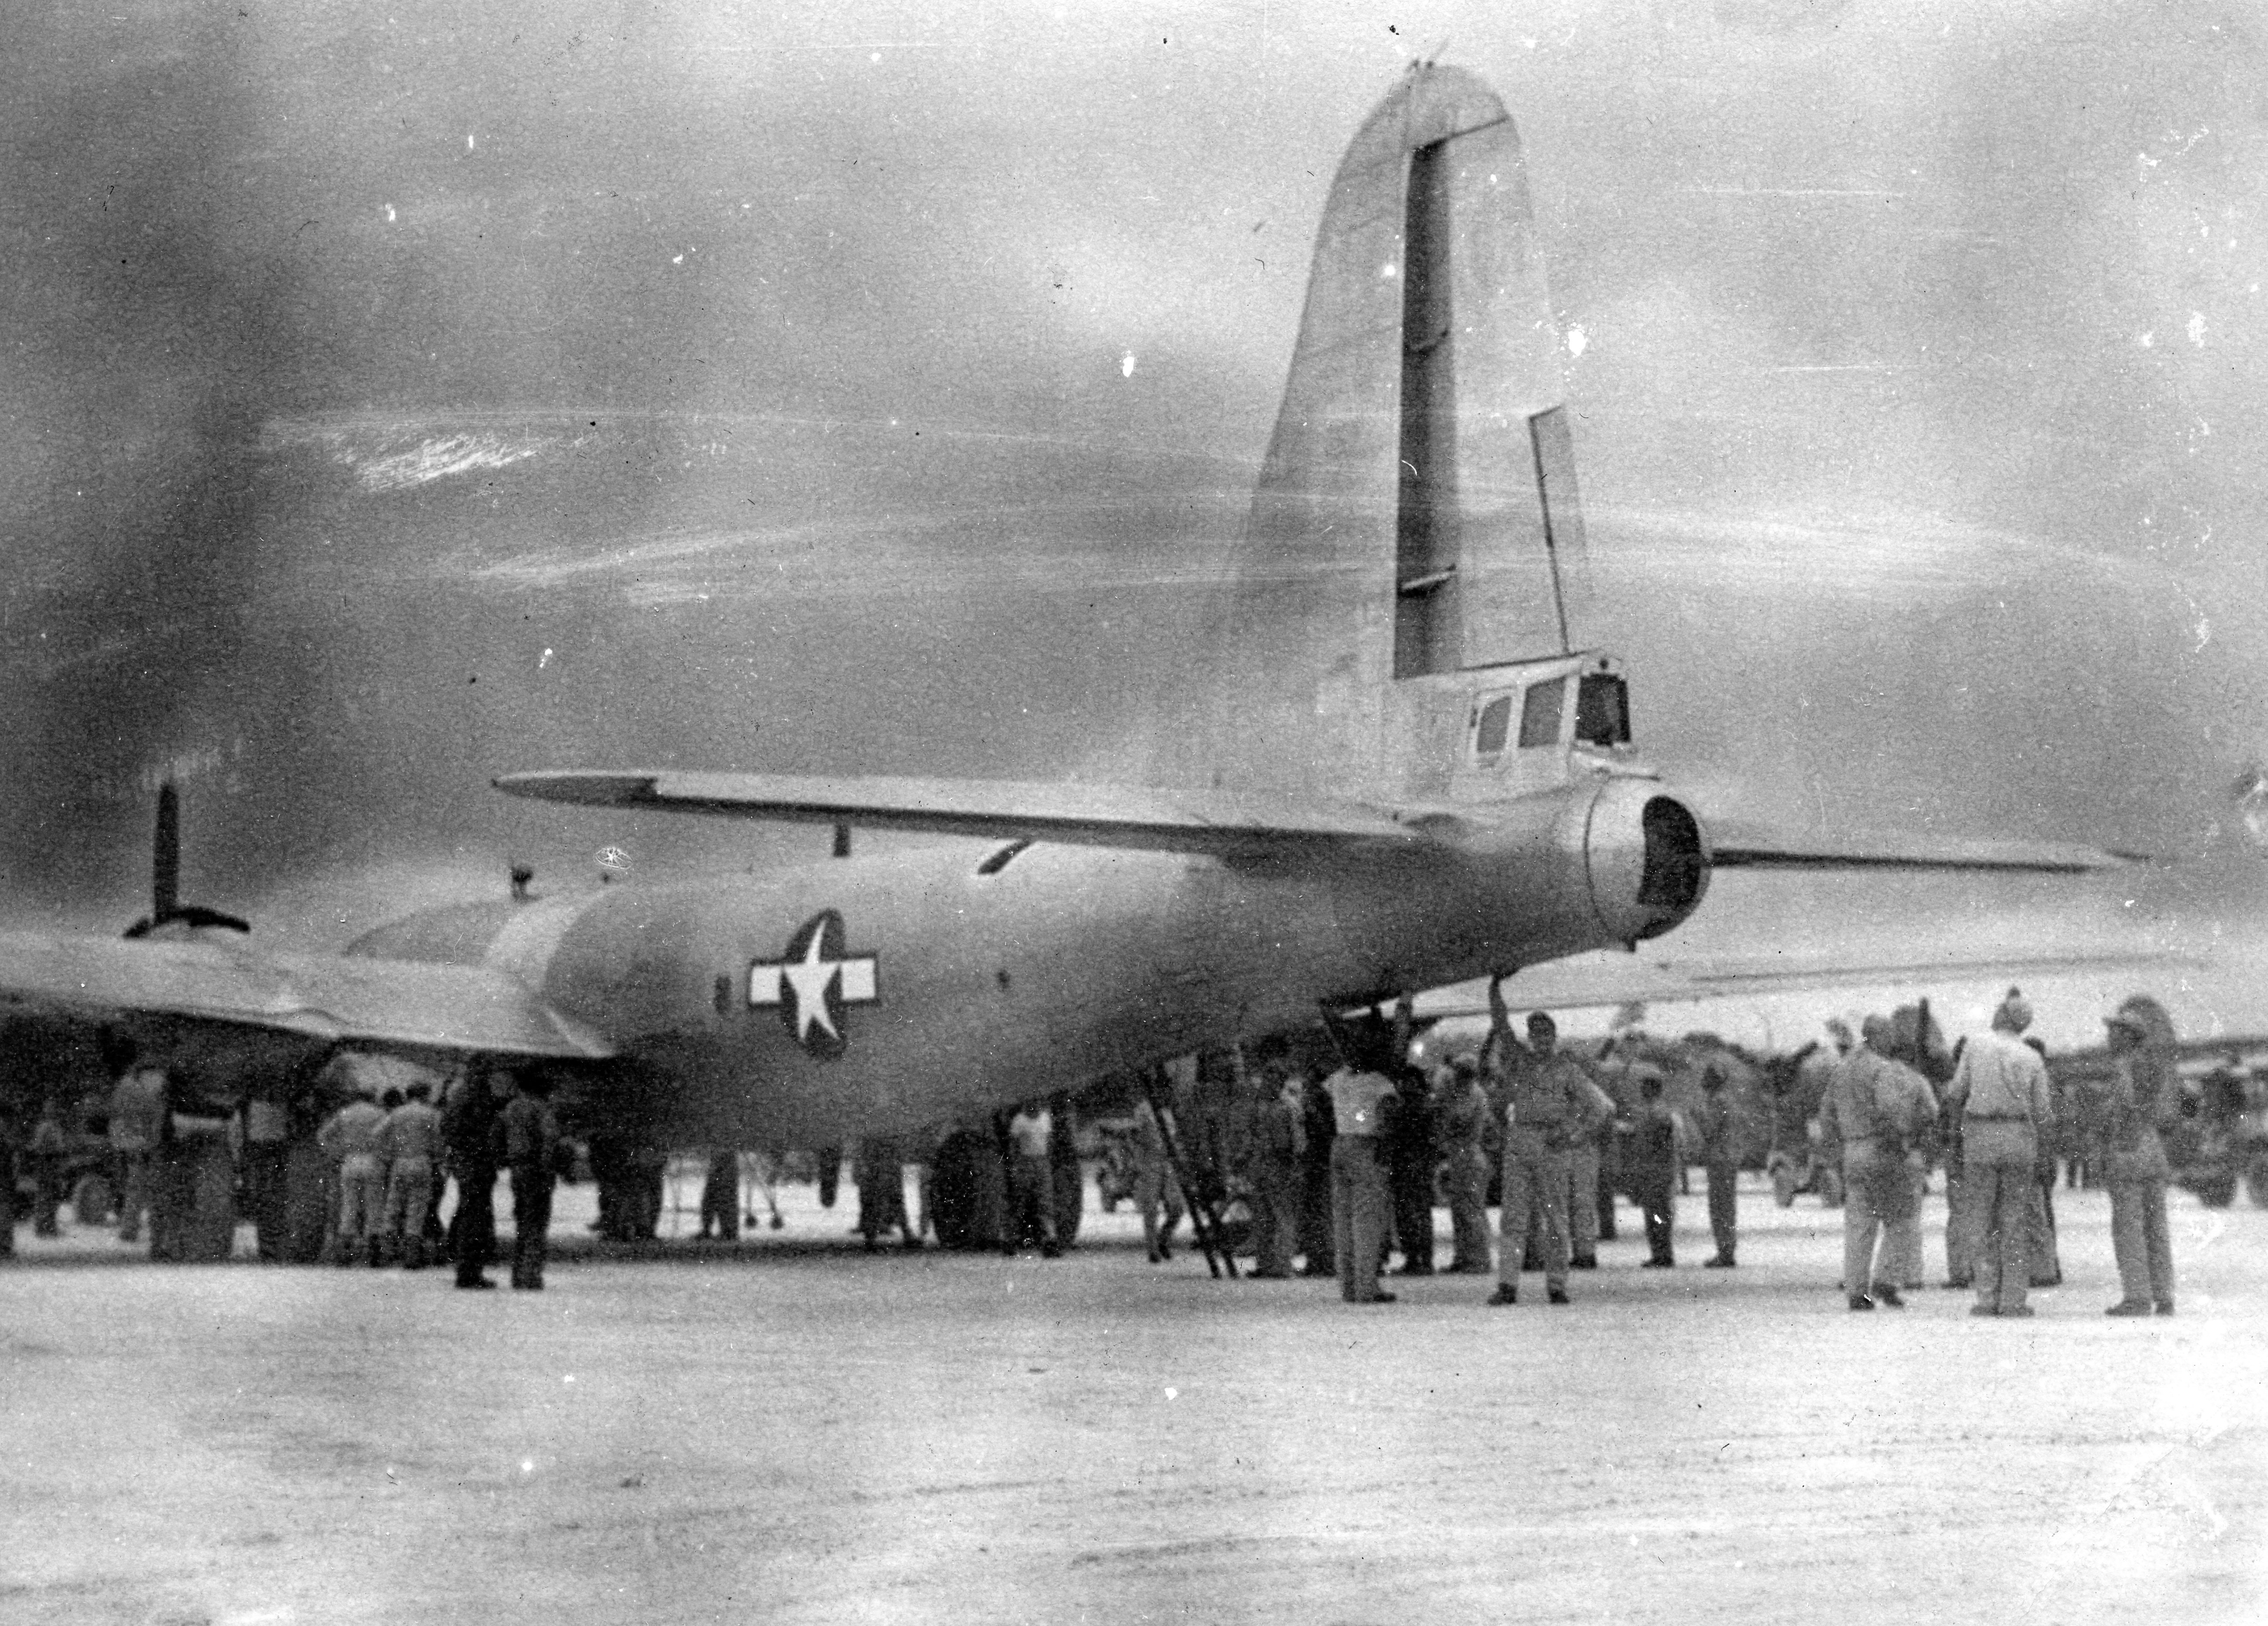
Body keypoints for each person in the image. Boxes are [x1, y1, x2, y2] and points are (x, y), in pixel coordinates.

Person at [1486, 989, 1607, 1306]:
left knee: (1555, 1218)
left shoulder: (1567, 1070)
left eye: (1545, 1033)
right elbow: (1502, 1028)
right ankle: (1507, 1285)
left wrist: (1572, 1136)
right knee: (1513, 1218)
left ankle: (1556, 1284)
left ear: (1553, 1036)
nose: (1540, 1039)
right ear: (1529, 1037)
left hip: (1551, 1144)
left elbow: (1599, 1109)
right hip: (1521, 1139)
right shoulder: (1520, 1063)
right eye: (1534, 1033)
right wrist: (1496, 994)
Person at [1942, 990, 2055, 1318]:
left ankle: (1986, 1297)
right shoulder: (2032, 1058)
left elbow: (1956, 1093)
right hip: (2019, 1137)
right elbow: (2043, 1111)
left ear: (2004, 1015)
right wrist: (2043, 1151)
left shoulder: (1975, 1046)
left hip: (1980, 1136)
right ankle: (2013, 1300)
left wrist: (1954, 1137)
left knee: (1981, 1219)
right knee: (2014, 1220)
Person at [1819, 1014, 1939, 1310]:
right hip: (1881, 1150)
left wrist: (1837, 1147)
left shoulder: (1842, 1068)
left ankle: (1857, 1291)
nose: (1892, 1042)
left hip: (1852, 1151)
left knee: (1858, 1224)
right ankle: (1886, 1277)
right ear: (1879, 1037)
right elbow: (1891, 1112)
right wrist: (1904, 1142)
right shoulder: (1882, 1069)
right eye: (1889, 1036)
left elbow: (1826, 1113)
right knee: (1901, 1217)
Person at [2094, 1006, 2175, 1316]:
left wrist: (2106, 1124)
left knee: (2128, 1227)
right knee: (2157, 1227)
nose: (2109, 1036)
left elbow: (2126, 1105)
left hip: (2128, 1149)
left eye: (2115, 1030)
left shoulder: (2123, 1066)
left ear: (2128, 1036)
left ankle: (2137, 1296)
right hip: (2153, 1147)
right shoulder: (2157, 1066)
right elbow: (2164, 1112)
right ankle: (2164, 1294)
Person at [1322, 1032, 1399, 1304]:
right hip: (1366, 1145)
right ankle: (1367, 1286)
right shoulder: (1379, 1083)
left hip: (1340, 1143)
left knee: (1342, 1219)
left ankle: (1348, 1286)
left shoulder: (1338, 1079)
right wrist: (1384, 1146)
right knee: (1366, 1219)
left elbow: (1319, 1098)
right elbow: (1387, 1117)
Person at [315, 1058, 389, 1268]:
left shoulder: (345, 1113)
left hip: (350, 1161)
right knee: (374, 1206)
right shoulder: (379, 1114)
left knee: (349, 1205)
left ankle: (344, 1251)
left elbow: (323, 1136)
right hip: (373, 1161)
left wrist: (335, 1152)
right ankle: (373, 1252)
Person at [1242, 1049, 1305, 1279]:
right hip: (1263, 1166)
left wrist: (1292, 1167)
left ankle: (1281, 1263)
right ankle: (1267, 1263)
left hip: (1279, 1166)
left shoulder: (1287, 1107)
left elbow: (1295, 1143)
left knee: (1281, 1217)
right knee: (1264, 1217)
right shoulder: (1262, 1106)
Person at [443, 1065, 507, 1289]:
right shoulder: (479, 1104)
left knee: (468, 1214)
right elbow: (490, 1134)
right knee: (476, 1219)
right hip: (478, 1167)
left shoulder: (457, 1104)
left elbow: (448, 1130)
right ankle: (470, 1273)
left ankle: (467, 1269)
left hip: (466, 1165)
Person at [1434, 1054, 1494, 1274]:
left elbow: (1465, 1124)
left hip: (1470, 1156)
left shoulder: (1474, 1095)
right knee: (1460, 1211)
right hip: (1460, 1157)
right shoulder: (1460, 1093)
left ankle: (1479, 1259)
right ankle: (1463, 1258)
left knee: (1472, 1211)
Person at [106, 1037, 168, 1246]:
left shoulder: (124, 1085)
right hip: (146, 1144)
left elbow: (117, 1115)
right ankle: (154, 1232)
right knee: (152, 1189)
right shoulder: (150, 1084)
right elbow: (156, 1112)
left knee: (134, 1188)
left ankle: (130, 1229)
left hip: (129, 1143)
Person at [502, 1073, 561, 1289]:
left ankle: (518, 1273)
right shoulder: (541, 1109)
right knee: (537, 1223)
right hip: (537, 1170)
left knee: (522, 1221)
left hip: (518, 1168)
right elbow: (549, 1140)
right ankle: (531, 1274)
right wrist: (549, 1170)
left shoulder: (511, 1108)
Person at [380, 1081, 444, 1269]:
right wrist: (438, 1156)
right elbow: (439, 1139)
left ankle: (388, 1250)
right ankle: (412, 1254)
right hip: (422, 1162)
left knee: (394, 1205)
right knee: (417, 1208)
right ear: (424, 1095)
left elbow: (378, 1133)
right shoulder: (431, 1114)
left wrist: (387, 1154)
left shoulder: (396, 1113)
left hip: (400, 1162)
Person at [1622, 1073, 1680, 1267]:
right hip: (1655, 1169)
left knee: (1658, 1212)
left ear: (1654, 1089)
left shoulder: (1658, 1112)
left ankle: (1663, 1255)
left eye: (1645, 1087)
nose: (1642, 1091)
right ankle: (1661, 1254)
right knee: (1655, 1212)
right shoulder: (1655, 1111)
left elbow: (1657, 1142)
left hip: (1657, 1170)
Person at [1130, 1094, 1185, 1264]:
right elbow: (1136, 1137)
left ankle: (1164, 1238)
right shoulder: (1144, 1110)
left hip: (1168, 1162)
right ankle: (1153, 1249)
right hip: (1151, 1161)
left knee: (1177, 1207)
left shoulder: (1169, 1111)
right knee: (1151, 1208)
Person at [1002, 1099, 1059, 1258]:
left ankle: (1050, 1240)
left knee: (1046, 1203)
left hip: (1042, 1162)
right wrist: (1015, 1165)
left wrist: (1049, 1162)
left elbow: (1050, 1141)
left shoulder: (1045, 1118)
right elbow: (1013, 1145)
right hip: (1025, 1162)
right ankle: (1010, 1239)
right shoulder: (1020, 1121)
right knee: (1019, 1202)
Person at [1696, 1065, 1740, 1267]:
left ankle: (1725, 1251)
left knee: (1720, 1207)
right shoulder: (1727, 1099)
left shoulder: (1717, 1101)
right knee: (1726, 1206)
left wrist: (1697, 1117)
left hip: (1719, 1159)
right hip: (1727, 1157)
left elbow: (1710, 1130)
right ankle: (1727, 1249)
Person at [1294, 1071, 1336, 1275]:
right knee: (1317, 1214)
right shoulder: (1324, 1101)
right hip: (1317, 1165)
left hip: (1318, 1165)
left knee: (1319, 1214)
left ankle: (1322, 1261)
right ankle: (1318, 1260)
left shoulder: (1319, 1103)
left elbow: (1321, 1133)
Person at [855, 1135, 919, 1251]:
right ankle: (904, 1234)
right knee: (893, 1203)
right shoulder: (889, 1146)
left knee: (876, 1205)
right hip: (886, 1176)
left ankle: (871, 1237)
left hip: (880, 1176)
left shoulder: (873, 1145)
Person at [27, 1098, 66, 1238]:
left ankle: (49, 1225)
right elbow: (40, 1147)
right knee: (45, 1196)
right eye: (49, 1108)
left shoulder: (55, 1127)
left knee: (52, 1196)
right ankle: (44, 1226)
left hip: (52, 1164)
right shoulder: (45, 1127)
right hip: (47, 1164)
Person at [699, 1147, 742, 1240]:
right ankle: (710, 1230)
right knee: (712, 1197)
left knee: (725, 1198)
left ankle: (728, 1232)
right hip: (720, 1163)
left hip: (725, 1164)